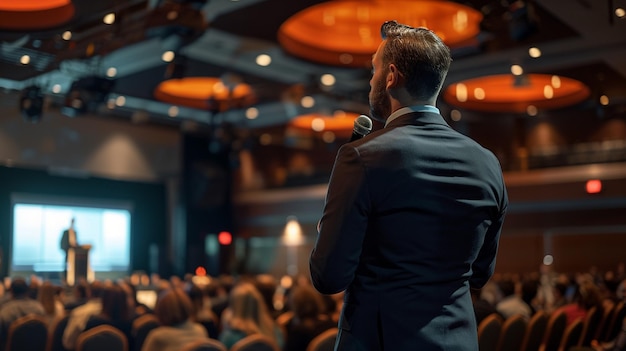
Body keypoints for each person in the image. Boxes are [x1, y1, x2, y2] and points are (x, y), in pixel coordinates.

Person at [309, 20, 508, 351]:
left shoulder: (361, 157)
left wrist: (327, 225)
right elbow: (479, 275)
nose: (370, 80)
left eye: (373, 70)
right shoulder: (488, 163)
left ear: (390, 77)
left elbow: (328, 277)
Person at [60, 217, 79, 282]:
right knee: (66, 266)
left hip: (75, 253)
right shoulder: (66, 232)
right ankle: (65, 280)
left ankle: (73, 280)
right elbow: (62, 243)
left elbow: (76, 242)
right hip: (67, 251)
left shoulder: (75, 232)